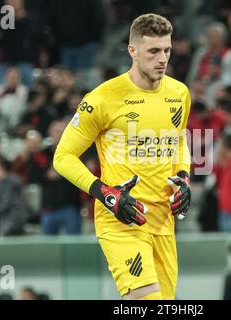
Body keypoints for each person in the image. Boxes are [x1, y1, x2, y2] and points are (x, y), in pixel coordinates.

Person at [54, 14, 192, 300]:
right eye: (153, 51)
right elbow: (63, 156)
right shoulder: (102, 98)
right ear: (132, 50)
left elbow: (178, 141)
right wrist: (105, 193)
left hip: (163, 221)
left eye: (166, 50)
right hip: (121, 219)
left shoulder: (179, 93)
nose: (162, 58)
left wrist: (183, 178)